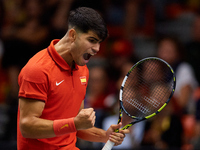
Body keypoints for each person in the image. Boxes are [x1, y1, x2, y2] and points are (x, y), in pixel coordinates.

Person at [17, 7, 129, 150]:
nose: (97, 49)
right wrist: (74, 124)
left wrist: (104, 136)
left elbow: (75, 125)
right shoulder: (37, 69)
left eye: (99, 42)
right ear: (73, 35)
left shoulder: (82, 70)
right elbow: (27, 126)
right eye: (92, 40)